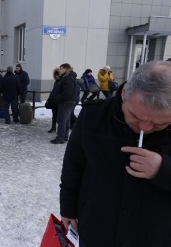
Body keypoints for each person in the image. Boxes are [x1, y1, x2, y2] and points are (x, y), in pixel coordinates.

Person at [60, 61, 171, 247]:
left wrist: (163, 169)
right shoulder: (93, 116)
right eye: (136, 117)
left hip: (155, 235)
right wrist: (68, 208)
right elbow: (73, 166)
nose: (145, 128)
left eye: (160, 123)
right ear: (124, 93)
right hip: (97, 229)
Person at [49, 63, 77, 144]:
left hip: (65, 102)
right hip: (67, 101)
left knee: (62, 120)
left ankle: (60, 138)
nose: (59, 70)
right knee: (66, 119)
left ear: (65, 69)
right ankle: (64, 137)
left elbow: (67, 92)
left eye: (61, 69)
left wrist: (57, 98)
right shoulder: (66, 77)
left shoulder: (68, 78)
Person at [47, 68, 61, 133]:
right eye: (55, 75)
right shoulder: (56, 82)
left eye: (57, 75)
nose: (56, 76)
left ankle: (59, 128)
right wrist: (50, 97)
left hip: (59, 101)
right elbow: (53, 91)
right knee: (54, 115)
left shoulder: (62, 82)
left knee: (59, 116)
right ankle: (53, 127)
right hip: (54, 101)